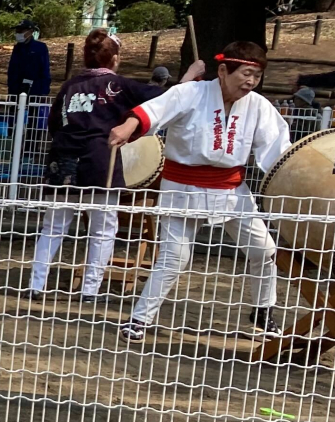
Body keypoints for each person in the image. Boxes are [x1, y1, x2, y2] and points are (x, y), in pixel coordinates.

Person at [109, 41, 291, 341]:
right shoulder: (190, 93)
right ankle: (140, 318)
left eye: (256, 76)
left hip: (232, 190)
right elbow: (154, 110)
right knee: (175, 257)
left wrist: (296, 169)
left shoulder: (259, 106)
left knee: (265, 250)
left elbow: (278, 150)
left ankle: (263, 312)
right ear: (223, 70)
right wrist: (129, 125)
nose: (251, 82)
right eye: (246, 74)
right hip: (182, 188)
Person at [25, 30, 161, 302]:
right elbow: (160, 98)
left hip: (63, 158)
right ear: (115, 59)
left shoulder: (69, 87)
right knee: (103, 229)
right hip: (100, 160)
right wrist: (190, 80)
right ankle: (90, 291)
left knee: (53, 227)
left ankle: (35, 285)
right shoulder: (118, 86)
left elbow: (54, 124)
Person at [7, 18, 52, 99]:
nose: (18, 33)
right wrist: (11, 88)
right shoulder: (17, 48)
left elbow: (45, 70)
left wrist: (44, 91)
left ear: (30, 31)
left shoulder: (40, 48)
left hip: (35, 90)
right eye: (17, 31)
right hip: (16, 90)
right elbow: (12, 70)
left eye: (21, 31)